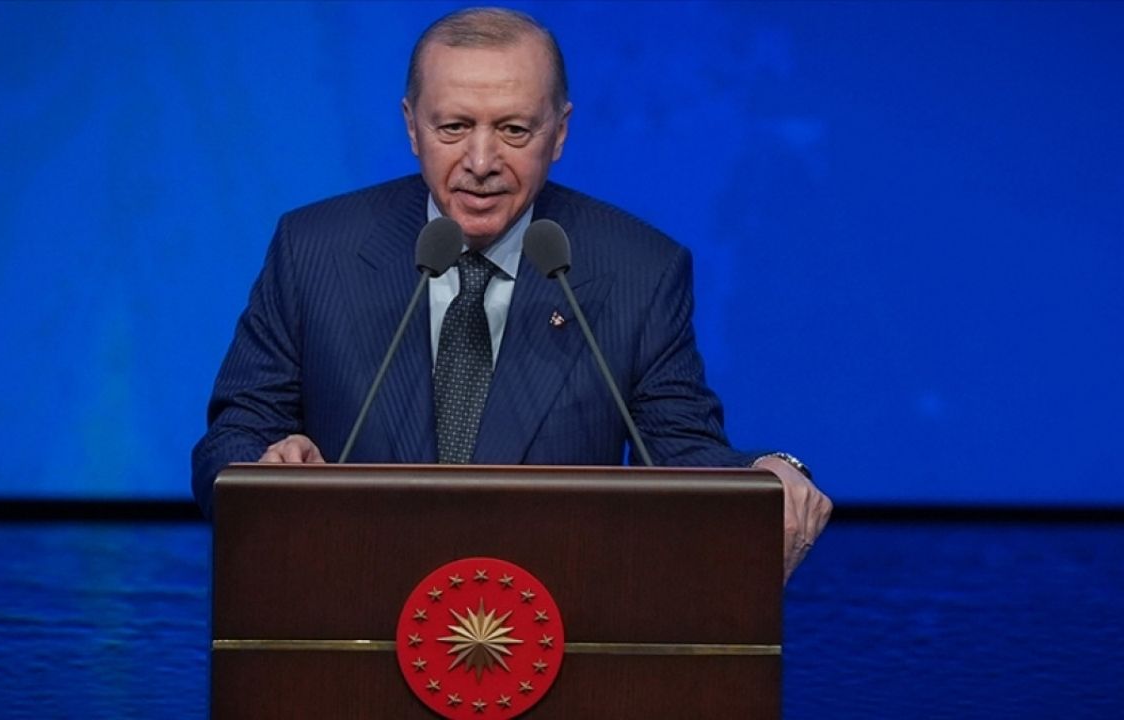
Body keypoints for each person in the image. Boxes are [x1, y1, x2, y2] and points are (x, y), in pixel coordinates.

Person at [192, 7, 831, 581]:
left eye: (514, 130)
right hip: (348, 607)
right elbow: (231, 437)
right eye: (453, 127)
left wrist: (765, 474)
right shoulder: (314, 250)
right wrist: (265, 469)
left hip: (554, 621)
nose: (481, 161)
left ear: (560, 131)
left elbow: (683, 454)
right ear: (411, 126)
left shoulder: (640, 270)